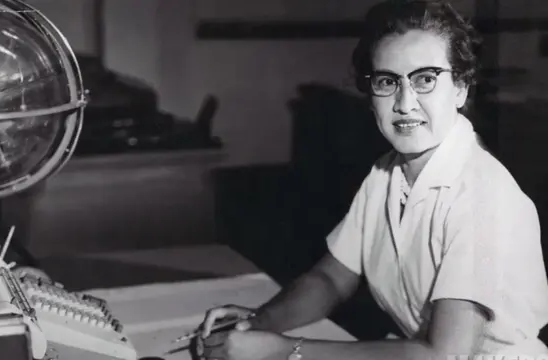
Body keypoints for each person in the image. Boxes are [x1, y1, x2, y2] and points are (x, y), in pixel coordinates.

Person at [197, 1, 548, 359]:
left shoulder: (483, 196)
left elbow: (444, 356)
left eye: (425, 79)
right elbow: (331, 279)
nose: (405, 102)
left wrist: (285, 350)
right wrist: (259, 323)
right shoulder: (386, 173)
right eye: (387, 81)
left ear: (460, 88)